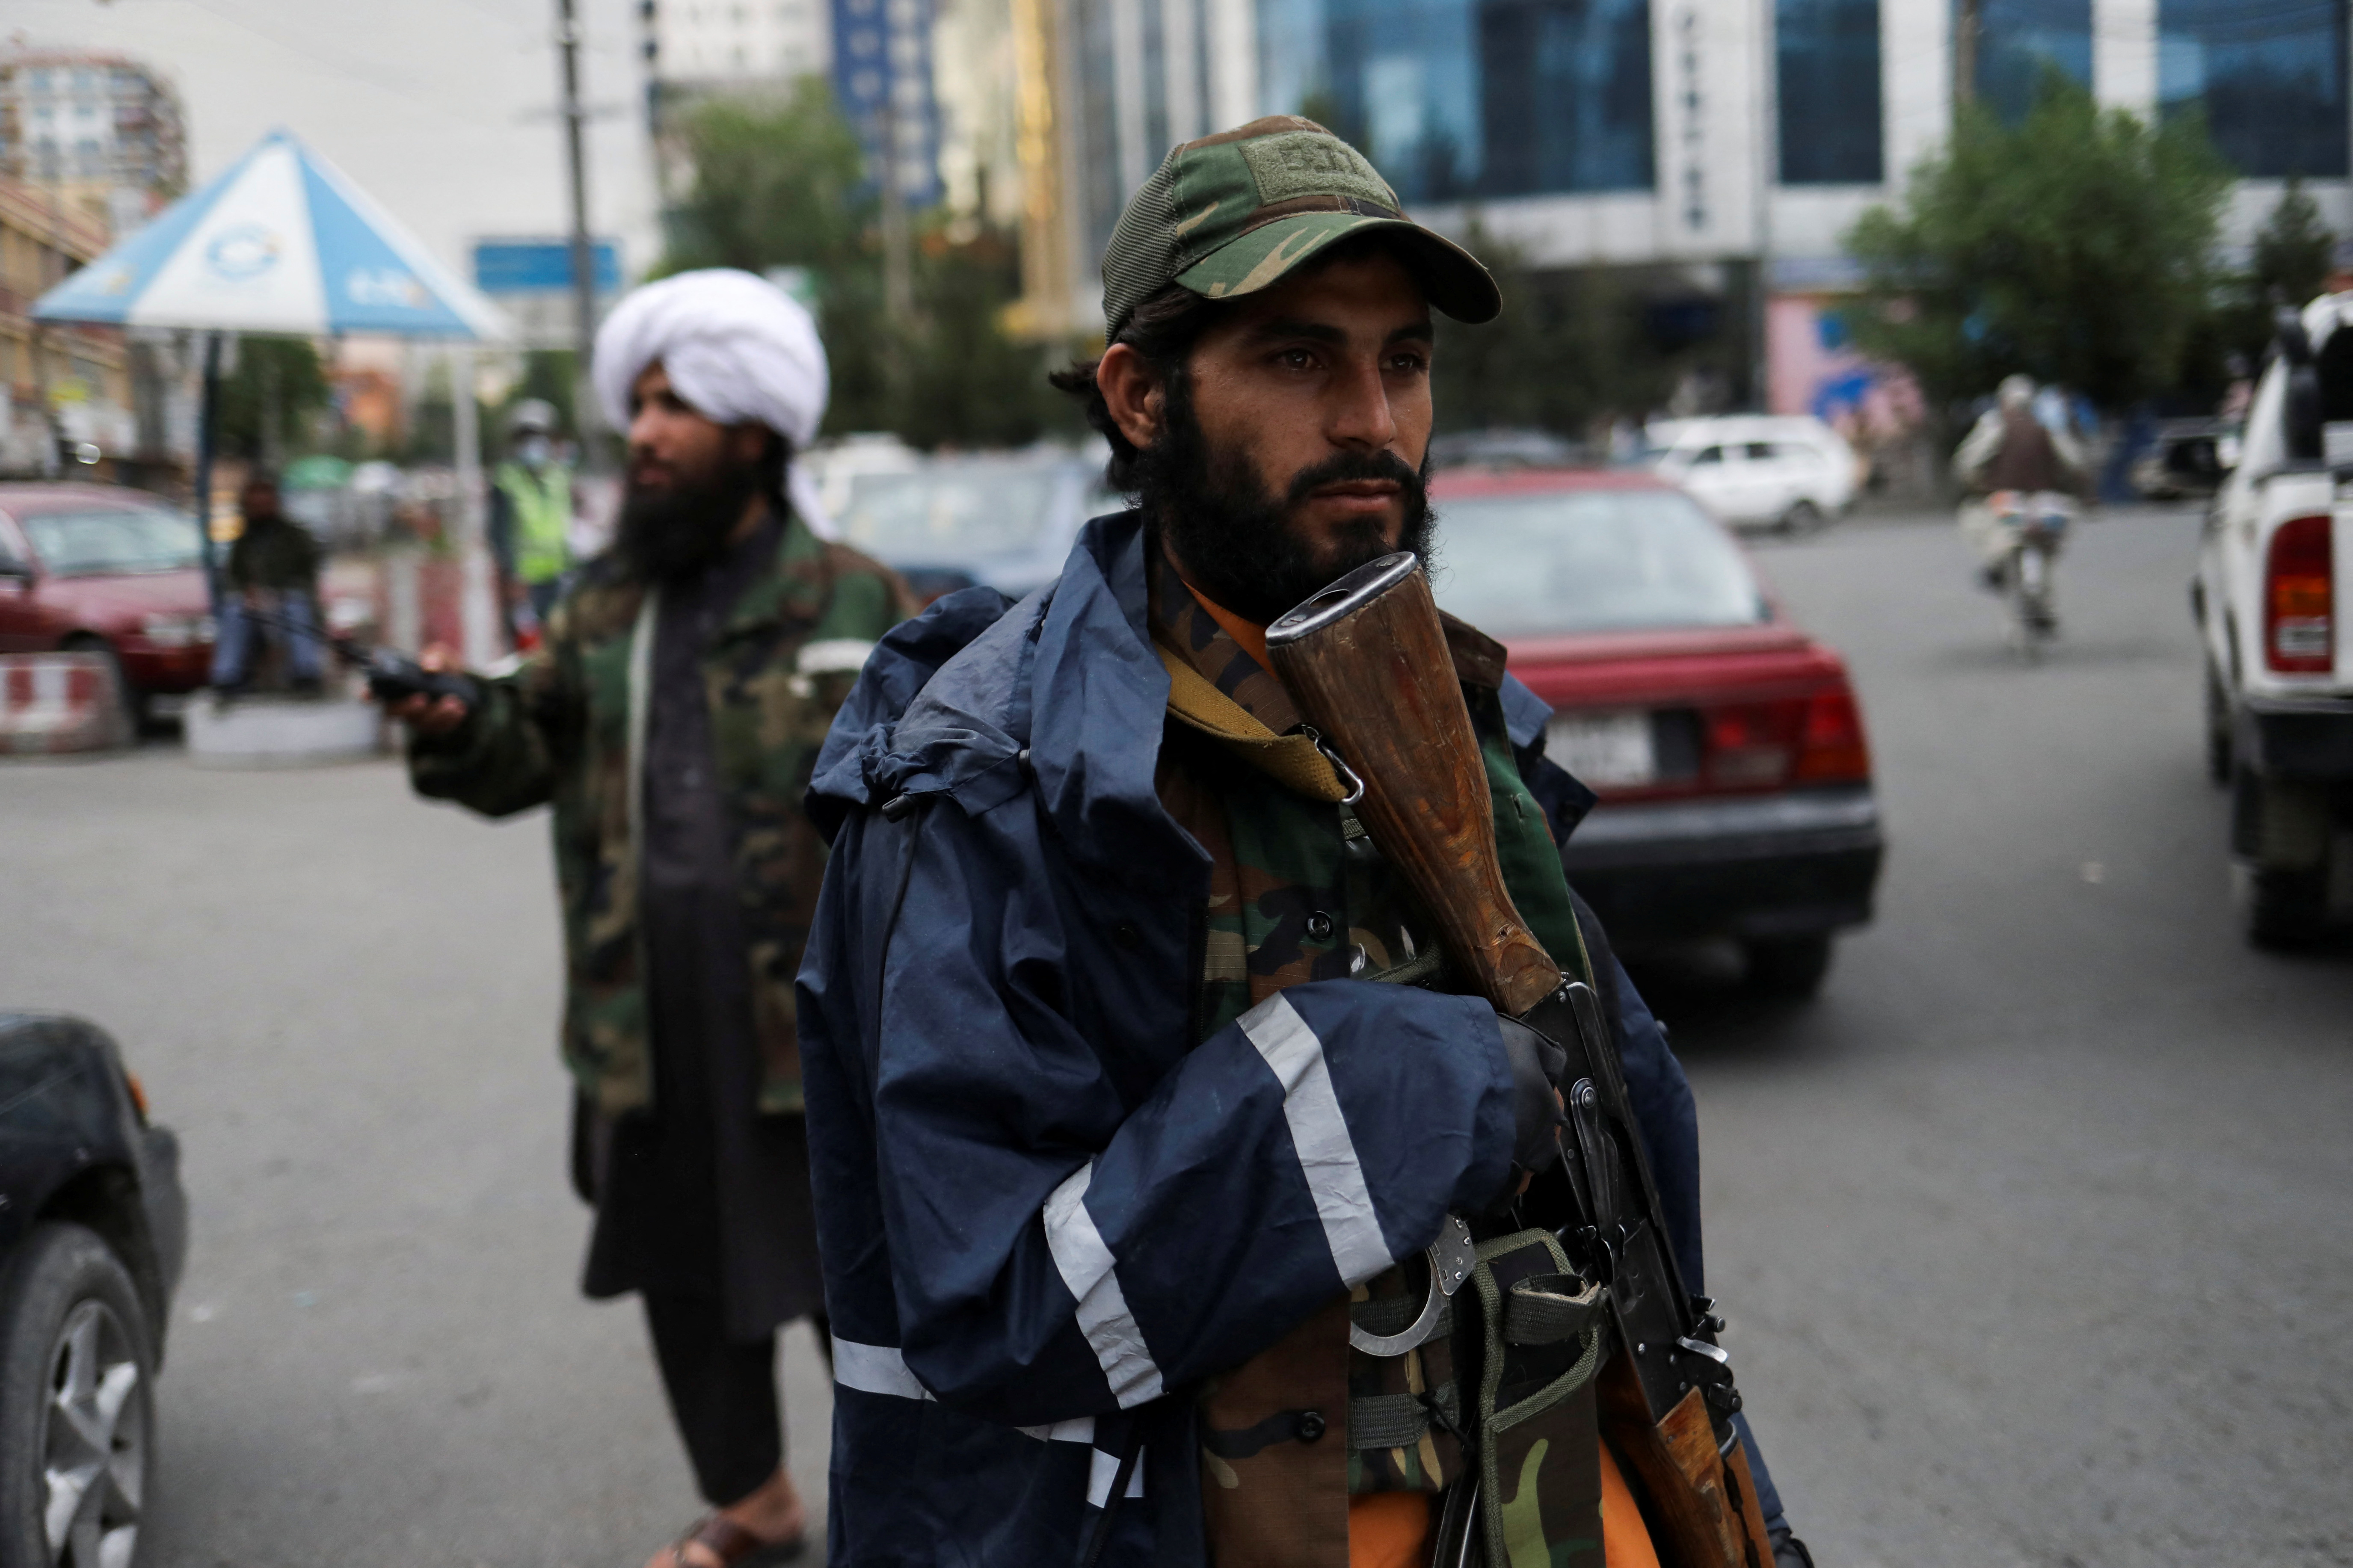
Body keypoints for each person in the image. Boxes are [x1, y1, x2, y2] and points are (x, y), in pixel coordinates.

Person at [798, 117, 1812, 1568]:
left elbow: (1626, 1214)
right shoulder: (990, 783)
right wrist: (1390, 1078)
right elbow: (990, 1302)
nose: (1374, 421)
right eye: (1298, 358)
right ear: (1141, 396)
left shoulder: (1451, 721)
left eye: (1403, 360)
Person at [386, 269, 915, 1568]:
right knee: (685, 1281)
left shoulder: (858, 600)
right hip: (645, 1024)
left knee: (869, 1299)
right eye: (639, 404)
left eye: (676, 405)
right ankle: (756, 1502)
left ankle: (913, 1523)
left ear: (756, 431)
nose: (646, 431)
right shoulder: (603, 609)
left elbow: (948, 806)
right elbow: (520, 752)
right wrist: (461, 722)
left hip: (820, 1037)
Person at [1953, 373, 2087, 593]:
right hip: (2045, 500)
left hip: (2006, 499)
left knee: (1976, 521)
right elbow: (2075, 461)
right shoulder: (2046, 424)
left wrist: (1978, 484)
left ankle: (1996, 566)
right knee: (2053, 538)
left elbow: (1967, 463)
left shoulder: (1994, 423)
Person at [210, 469, 324, 695]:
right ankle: (227, 677)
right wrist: (248, 593)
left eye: (265, 501)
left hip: (287, 604)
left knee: (296, 605)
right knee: (234, 610)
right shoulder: (243, 543)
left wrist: (277, 593)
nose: (260, 508)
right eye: (254, 504)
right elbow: (233, 578)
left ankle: (306, 674)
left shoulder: (296, 537)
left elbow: (308, 578)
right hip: (257, 609)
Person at [489, 398, 580, 636]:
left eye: (538, 436)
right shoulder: (506, 480)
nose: (533, 444)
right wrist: (510, 580)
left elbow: (570, 526)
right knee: (526, 648)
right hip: (524, 585)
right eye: (525, 437)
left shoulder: (560, 477)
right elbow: (498, 535)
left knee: (561, 646)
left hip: (559, 580)